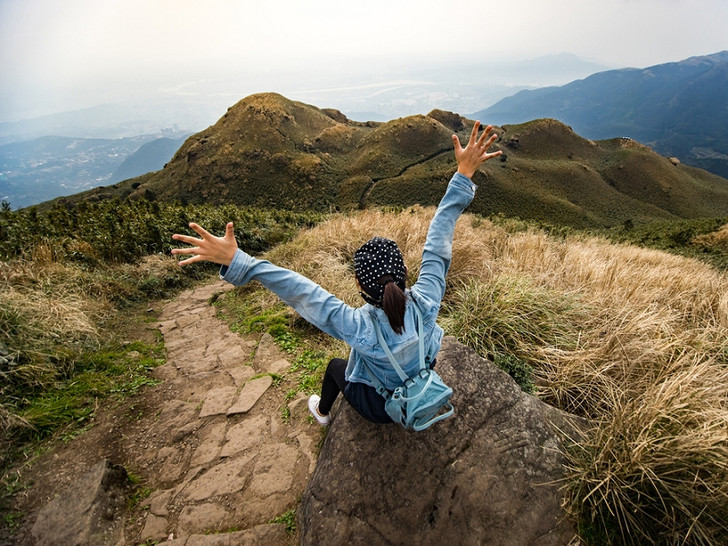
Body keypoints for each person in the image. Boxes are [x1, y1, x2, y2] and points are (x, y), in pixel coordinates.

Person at [171, 121, 502, 425]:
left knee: (334, 368)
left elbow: (301, 291)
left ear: (358, 283)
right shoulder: (427, 301)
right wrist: (463, 173)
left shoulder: (359, 327)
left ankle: (322, 412)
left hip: (381, 409)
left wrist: (240, 260)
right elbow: (437, 243)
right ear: (404, 272)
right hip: (422, 385)